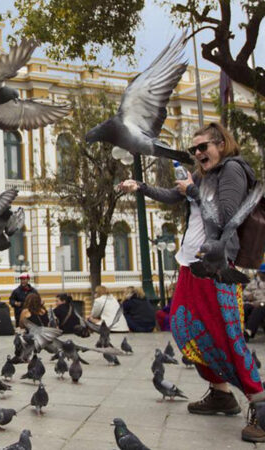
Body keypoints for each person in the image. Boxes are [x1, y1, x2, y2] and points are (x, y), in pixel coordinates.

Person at [119, 122, 265, 442]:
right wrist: (139, 186)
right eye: (194, 149)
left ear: (221, 145)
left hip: (215, 268)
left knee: (226, 336)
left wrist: (194, 192)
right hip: (191, 266)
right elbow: (174, 195)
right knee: (188, 330)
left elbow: (226, 214)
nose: (198, 153)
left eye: (204, 147)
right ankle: (221, 393)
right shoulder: (203, 175)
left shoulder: (232, 171)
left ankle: (260, 403)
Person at [243, 264, 265, 341]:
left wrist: (261, 302)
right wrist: (248, 296)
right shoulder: (254, 282)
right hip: (253, 303)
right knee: (245, 307)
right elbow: (245, 292)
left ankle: (249, 331)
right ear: (259, 273)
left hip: (263, 305)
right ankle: (237, 329)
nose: (264, 275)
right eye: (263, 273)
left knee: (259, 309)